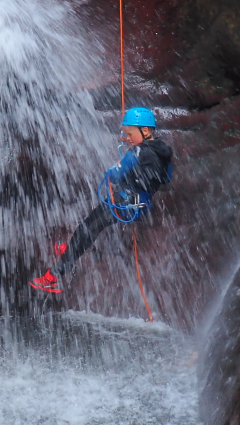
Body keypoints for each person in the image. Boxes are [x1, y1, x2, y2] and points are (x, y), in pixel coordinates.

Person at [29, 107, 173, 294]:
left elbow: (113, 175)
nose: (127, 138)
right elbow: (165, 179)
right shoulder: (163, 153)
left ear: (145, 131)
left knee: (88, 228)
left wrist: (122, 165)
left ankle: (54, 276)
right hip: (142, 204)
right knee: (91, 227)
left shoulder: (138, 151)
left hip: (125, 203)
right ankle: (71, 251)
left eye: (130, 134)